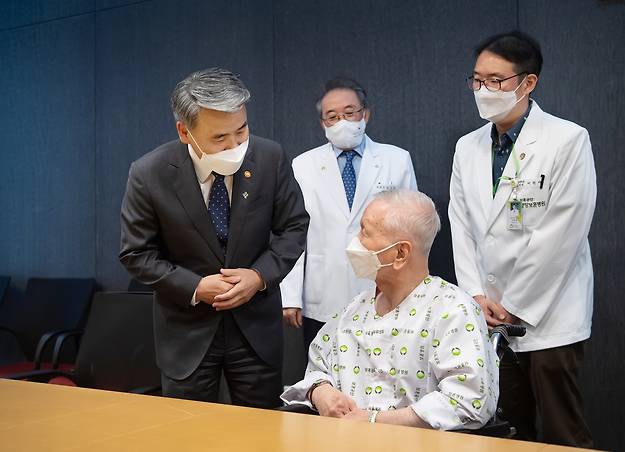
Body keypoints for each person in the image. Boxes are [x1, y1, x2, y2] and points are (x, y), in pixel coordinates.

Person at [119, 67, 309, 408]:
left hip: (256, 330)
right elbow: (136, 253)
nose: (235, 145)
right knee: (187, 433)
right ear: (184, 131)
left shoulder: (269, 157)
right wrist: (193, 287)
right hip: (186, 333)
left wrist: (259, 276)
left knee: (261, 432)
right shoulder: (149, 173)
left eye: (242, 130)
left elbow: (293, 227)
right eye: (219, 138)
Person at [448, 31, 596, 447]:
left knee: (563, 429)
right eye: (477, 80)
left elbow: (562, 234)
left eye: (496, 80)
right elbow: (460, 225)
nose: (484, 90)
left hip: (549, 313)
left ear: (527, 83)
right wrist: (475, 294)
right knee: (507, 431)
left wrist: (516, 306)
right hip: (489, 313)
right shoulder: (467, 147)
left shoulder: (567, 140)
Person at [281, 190, 498, 430]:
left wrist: (374, 421)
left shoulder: (453, 311)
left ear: (400, 253)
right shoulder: (354, 310)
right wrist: (320, 392)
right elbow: (317, 367)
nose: (355, 241)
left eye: (364, 232)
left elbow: (469, 401)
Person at [280, 77, 417, 351]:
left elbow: (412, 230)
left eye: (350, 112)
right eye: (332, 116)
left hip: (381, 285)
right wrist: (290, 296)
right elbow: (292, 232)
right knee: (324, 371)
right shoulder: (303, 165)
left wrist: (410, 289)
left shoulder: (396, 159)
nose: (342, 121)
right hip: (323, 289)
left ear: (365, 114)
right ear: (323, 123)